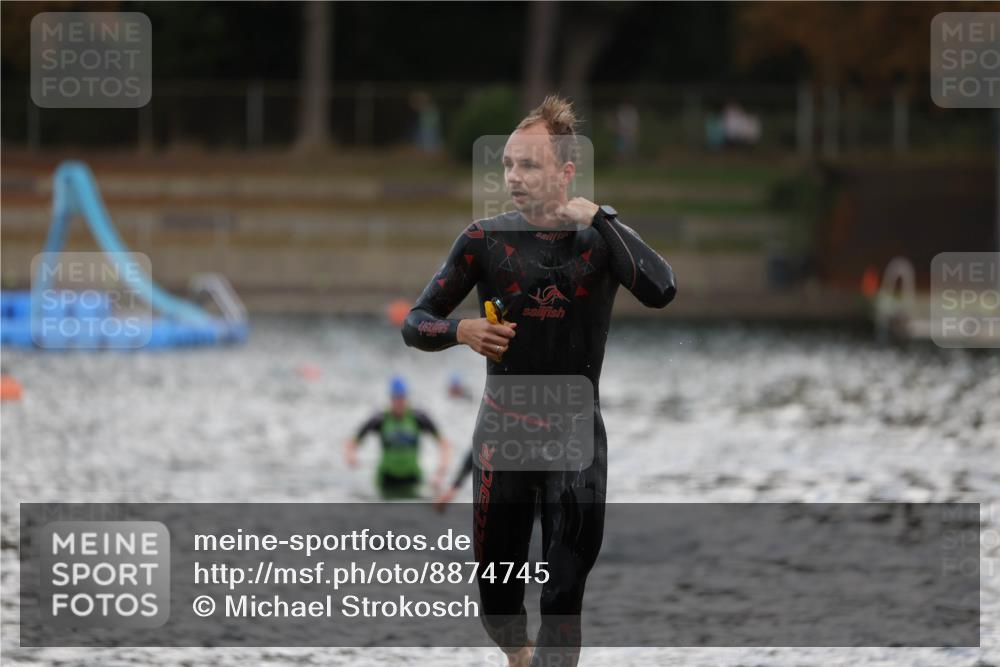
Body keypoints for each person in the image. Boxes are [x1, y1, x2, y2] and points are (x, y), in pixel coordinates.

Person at [402, 95, 676, 667]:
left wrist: (601, 218)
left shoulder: (602, 240)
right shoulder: (483, 240)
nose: (513, 177)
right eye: (507, 164)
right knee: (498, 608)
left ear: (565, 171)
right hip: (503, 437)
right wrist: (462, 331)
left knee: (561, 595)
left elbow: (661, 288)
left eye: (528, 165)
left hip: (575, 439)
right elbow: (414, 322)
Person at [343, 375, 451, 499]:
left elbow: (444, 443)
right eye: (396, 398)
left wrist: (441, 469)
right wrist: (351, 456)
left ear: (406, 398)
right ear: (391, 399)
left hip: (412, 479)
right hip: (386, 479)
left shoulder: (418, 417)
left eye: (402, 398)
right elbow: (352, 442)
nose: (399, 402)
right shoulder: (380, 418)